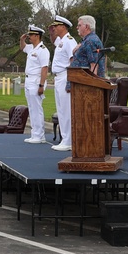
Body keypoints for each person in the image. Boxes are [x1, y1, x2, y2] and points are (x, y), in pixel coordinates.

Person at [48, 15, 78, 152]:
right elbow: (53, 40)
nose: (54, 28)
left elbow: (73, 60)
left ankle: (69, 141)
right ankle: (65, 139)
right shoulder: (61, 40)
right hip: (58, 77)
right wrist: (51, 33)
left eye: (57, 26)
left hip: (66, 75)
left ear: (64, 27)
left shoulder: (69, 41)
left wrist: (70, 80)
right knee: (61, 110)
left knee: (66, 110)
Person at [20, 25, 50, 144]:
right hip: (28, 80)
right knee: (32, 108)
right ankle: (35, 134)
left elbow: (44, 68)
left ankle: (39, 135)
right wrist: (22, 40)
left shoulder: (42, 50)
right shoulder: (31, 48)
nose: (29, 37)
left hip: (36, 81)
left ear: (37, 36)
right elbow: (23, 48)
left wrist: (41, 85)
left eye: (31, 35)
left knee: (37, 108)